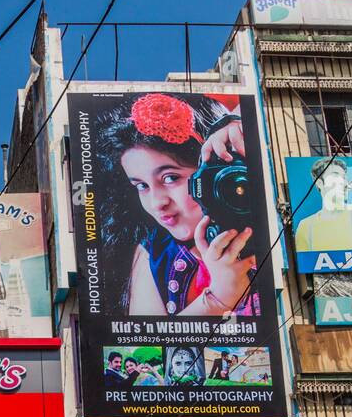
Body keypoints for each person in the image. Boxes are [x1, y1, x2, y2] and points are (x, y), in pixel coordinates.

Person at [96, 92, 258, 317]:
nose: (157, 202)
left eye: (171, 178)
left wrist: (234, 126)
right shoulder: (154, 255)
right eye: (141, 186)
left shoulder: (262, 222)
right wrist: (220, 296)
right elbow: (149, 347)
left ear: (217, 167)